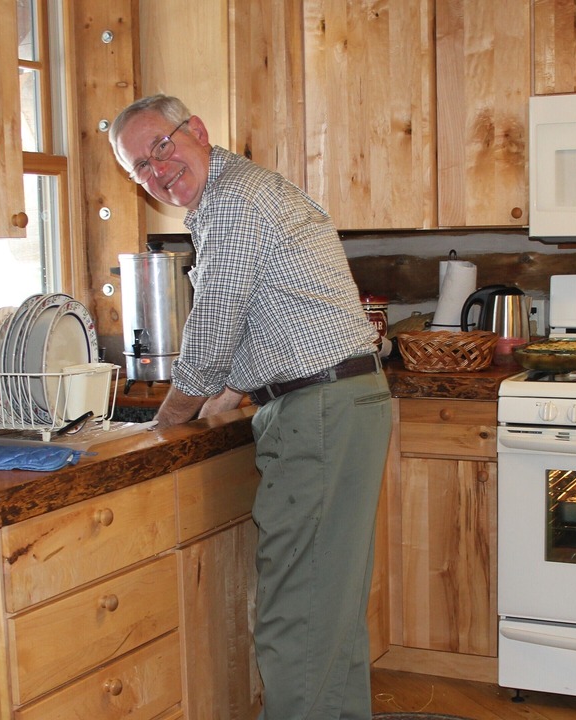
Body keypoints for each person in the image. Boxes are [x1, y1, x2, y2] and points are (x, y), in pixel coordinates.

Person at [109, 94, 392, 720]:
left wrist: (169, 419)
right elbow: (261, 323)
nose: (157, 170)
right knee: (330, 612)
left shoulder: (233, 201)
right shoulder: (240, 192)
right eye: (140, 168)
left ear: (197, 131)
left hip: (318, 411)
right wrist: (229, 395)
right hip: (343, 401)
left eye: (160, 148)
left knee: (298, 615)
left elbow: (213, 331)